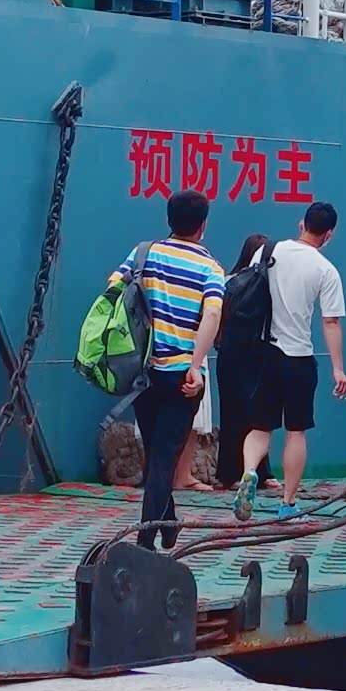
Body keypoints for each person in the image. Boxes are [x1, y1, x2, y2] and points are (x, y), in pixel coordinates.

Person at [131, 191, 223, 550]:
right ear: (203, 225)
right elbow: (213, 315)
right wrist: (197, 366)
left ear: (169, 219)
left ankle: (168, 526)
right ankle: (145, 538)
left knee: (156, 453)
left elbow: (116, 289)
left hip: (143, 371)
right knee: (163, 457)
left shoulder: (143, 254)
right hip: (183, 374)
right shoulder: (210, 268)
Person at [247, 202, 346, 505]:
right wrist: (338, 369)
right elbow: (330, 322)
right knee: (295, 432)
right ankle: (288, 502)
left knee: (259, 428)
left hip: (265, 351)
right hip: (299, 358)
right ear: (329, 234)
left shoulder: (266, 252)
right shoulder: (325, 269)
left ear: (300, 224)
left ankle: (250, 472)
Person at [212, 232, 283, 509]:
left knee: (231, 413)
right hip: (259, 354)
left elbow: (219, 317)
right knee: (259, 416)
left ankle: (226, 474)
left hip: (230, 355)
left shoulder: (228, 282)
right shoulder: (268, 284)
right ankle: (261, 472)